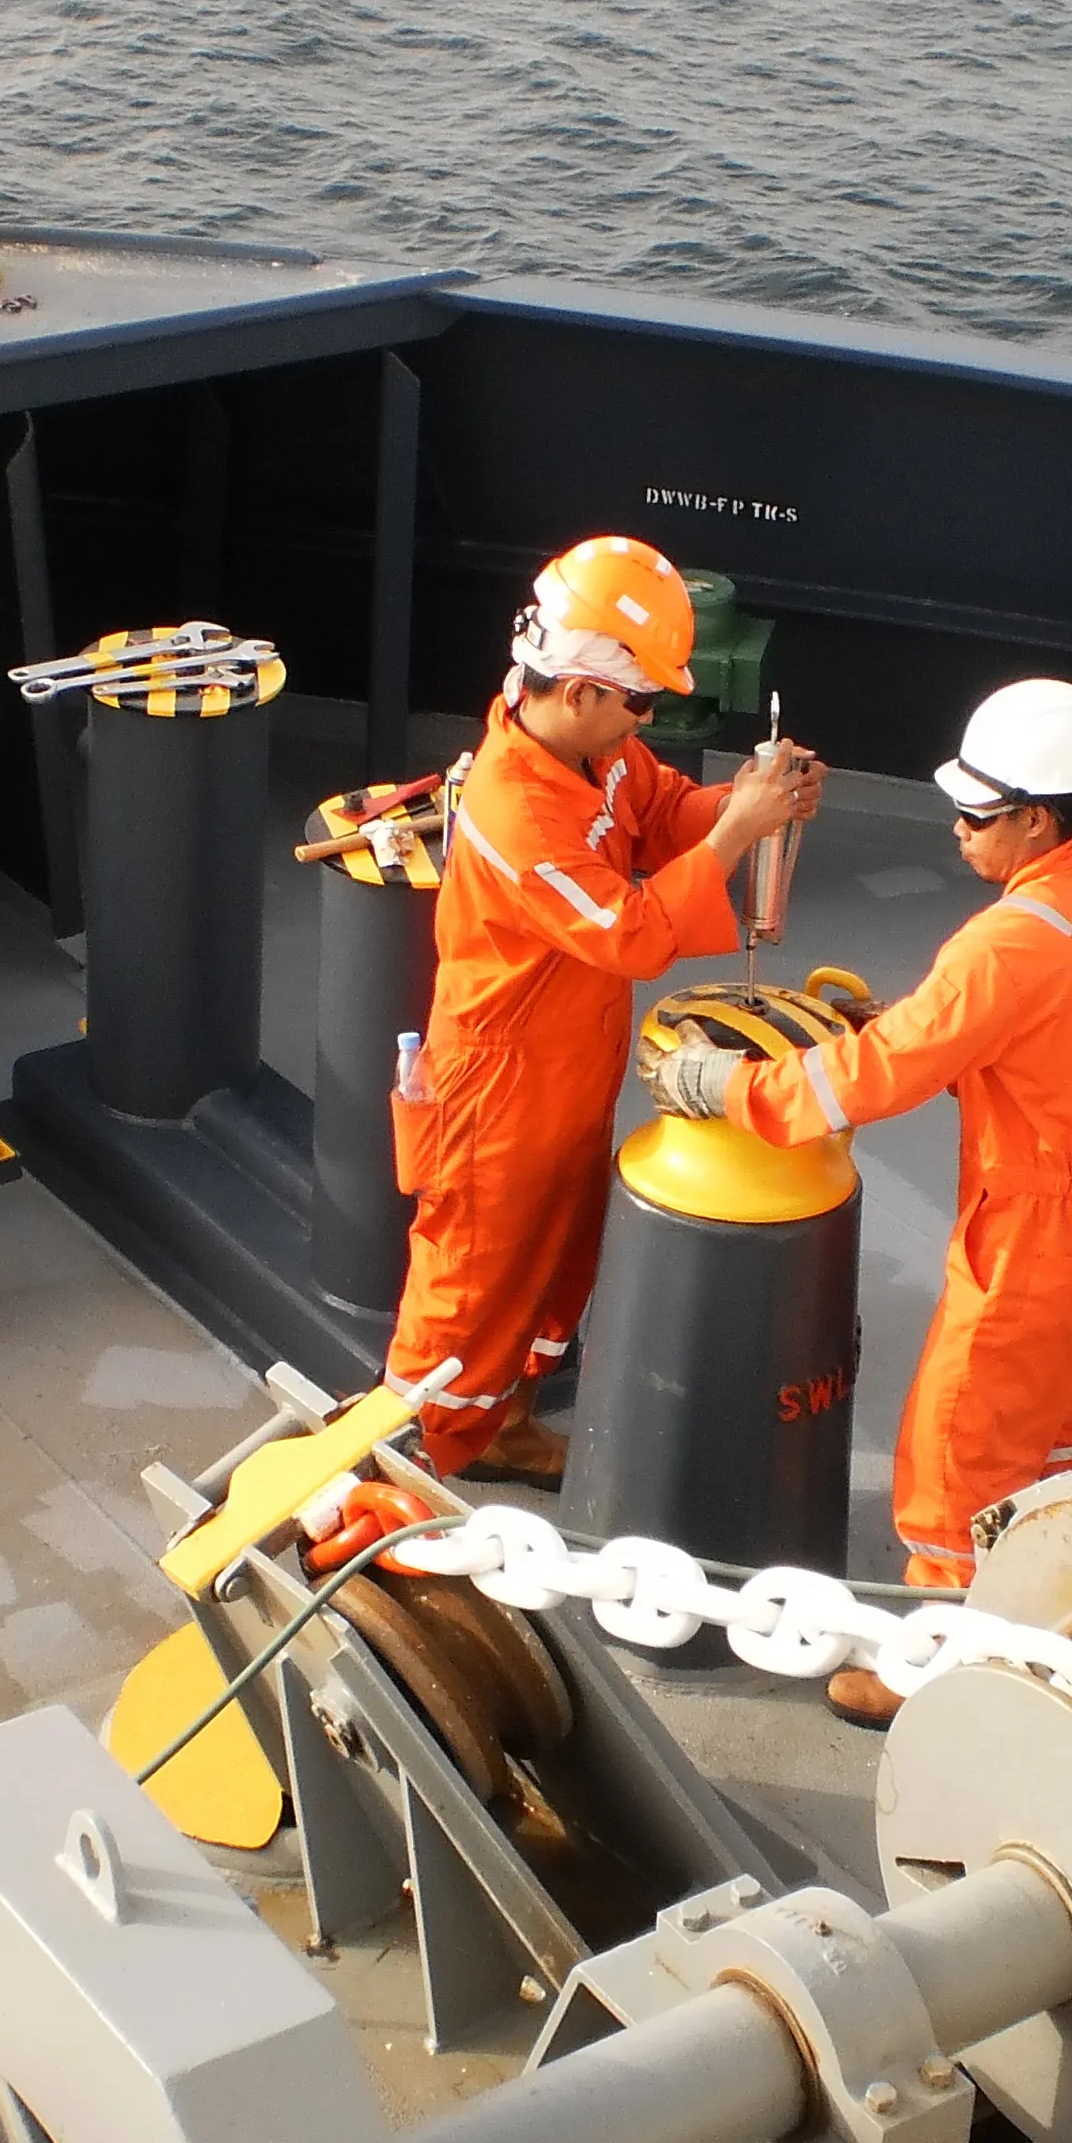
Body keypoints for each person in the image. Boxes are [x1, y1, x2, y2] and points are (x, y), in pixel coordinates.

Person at [650, 678, 1072, 1724]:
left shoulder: (1003, 945)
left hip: (1026, 1227)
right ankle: (1056, 1573)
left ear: (1033, 816)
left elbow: (866, 1081)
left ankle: (932, 1669)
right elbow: (1050, 1045)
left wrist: (726, 1088)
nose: (959, 828)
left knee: (955, 1440)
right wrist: (926, 1023)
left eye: (976, 814)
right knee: (1055, 1414)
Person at [389, 537, 824, 1486]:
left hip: (571, 1063)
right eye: (641, 701)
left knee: (555, 1260)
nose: (648, 721)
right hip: (496, 1086)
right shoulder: (516, 810)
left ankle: (505, 1424)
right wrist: (741, 832)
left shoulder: (603, 756)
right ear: (581, 690)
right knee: (472, 1275)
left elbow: (667, 815)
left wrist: (746, 802)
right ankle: (415, 1458)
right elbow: (628, 932)